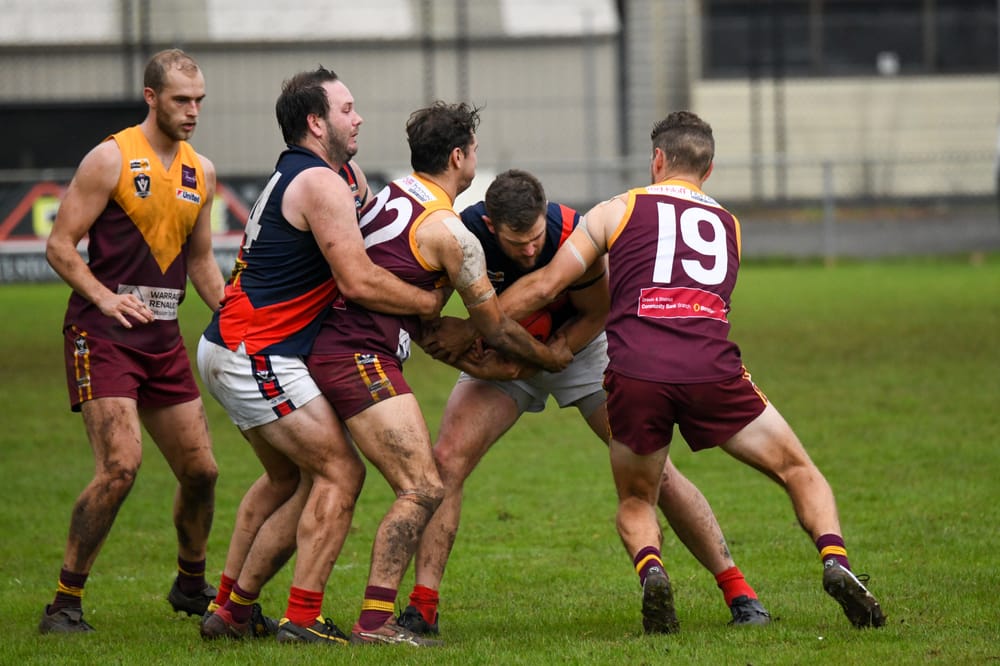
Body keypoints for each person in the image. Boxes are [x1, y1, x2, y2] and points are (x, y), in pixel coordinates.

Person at [497, 111, 886, 632]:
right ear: (709, 168)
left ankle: (653, 571)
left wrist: (477, 321)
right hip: (711, 369)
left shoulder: (618, 208)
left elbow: (546, 286)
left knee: (637, 497)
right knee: (798, 470)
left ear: (657, 159)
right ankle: (835, 560)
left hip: (635, 371)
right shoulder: (730, 226)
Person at [399, 168, 770, 637]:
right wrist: (492, 353)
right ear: (492, 227)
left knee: (657, 472)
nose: (530, 250)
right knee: (447, 461)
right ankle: (422, 608)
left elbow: (597, 313)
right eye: (518, 243)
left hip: (581, 350)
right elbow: (434, 315)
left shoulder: (573, 230)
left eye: (535, 238)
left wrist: (546, 355)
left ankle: (739, 592)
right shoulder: (466, 233)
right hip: (505, 350)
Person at [305, 101, 572, 647]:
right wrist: (547, 359)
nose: (475, 157)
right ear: (458, 156)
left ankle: (241, 605)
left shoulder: (386, 198)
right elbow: (494, 325)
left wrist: (454, 342)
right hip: (360, 355)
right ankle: (375, 624)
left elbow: (424, 320)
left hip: (325, 346)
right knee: (424, 485)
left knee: (311, 481)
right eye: (472, 150)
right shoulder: (450, 230)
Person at [196, 67, 445, 645]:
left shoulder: (308, 174)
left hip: (231, 344)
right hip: (256, 352)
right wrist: (427, 303)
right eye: (347, 109)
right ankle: (303, 620)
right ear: (316, 122)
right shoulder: (320, 184)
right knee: (341, 471)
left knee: (288, 476)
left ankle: (231, 609)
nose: (358, 118)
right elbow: (357, 281)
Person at [40, 49, 224, 633]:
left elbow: (201, 263)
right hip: (103, 335)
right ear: (151, 98)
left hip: (163, 339)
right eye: (180, 101)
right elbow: (60, 245)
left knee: (202, 472)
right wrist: (104, 297)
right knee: (121, 466)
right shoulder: (111, 158)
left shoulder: (203, 171)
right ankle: (64, 604)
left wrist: (237, 316)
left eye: (198, 101)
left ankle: (191, 587)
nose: (192, 111)